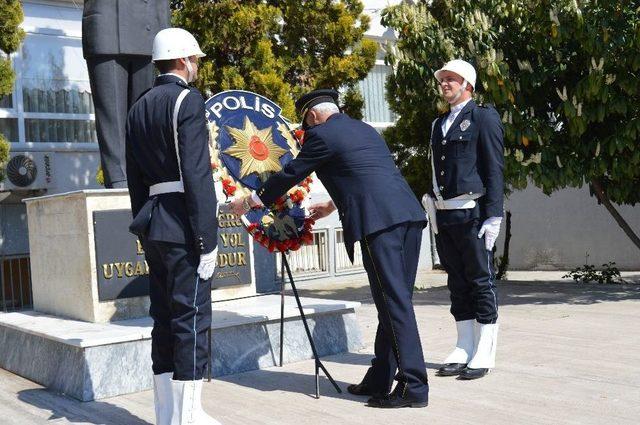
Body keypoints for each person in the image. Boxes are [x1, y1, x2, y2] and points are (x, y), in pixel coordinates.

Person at [230, 89, 429, 408]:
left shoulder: (321, 136)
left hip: (379, 224)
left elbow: (290, 175)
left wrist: (251, 202)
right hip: (407, 216)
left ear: (311, 117)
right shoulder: (362, 128)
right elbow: (366, 175)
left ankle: (413, 386)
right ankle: (380, 376)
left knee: (392, 303)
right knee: (395, 302)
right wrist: (334, 205)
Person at [126, 28, 221, 424]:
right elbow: (196, 173)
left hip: (155, 222)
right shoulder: (187, 99)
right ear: (183, 60)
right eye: (195, 59)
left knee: (163, 317)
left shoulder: (138, 106)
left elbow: (135, 179)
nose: (196, 66)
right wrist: (207, 239)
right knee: (191, 318)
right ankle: (188, 416)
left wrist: (144, 222)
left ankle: (166, 413)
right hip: (184, 224)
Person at [422, 59, 504, 380]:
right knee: (456, 282)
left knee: (480, 281)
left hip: (472, 214)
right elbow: (435, 167)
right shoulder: (438, 123)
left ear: (467, 84)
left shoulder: (483, 118)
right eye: (443, 80)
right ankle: (463, 346)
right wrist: (430, 197)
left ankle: (485, 349)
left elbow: (494, 169)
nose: (445, 84)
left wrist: (493, 215)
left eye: (451, 79)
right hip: (444, 215)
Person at [82, 0, 170, 188]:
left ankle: (146, 178)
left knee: (145, 118)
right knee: (112, 118)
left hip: (151, 29)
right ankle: (119, 181)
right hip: (107, 26)